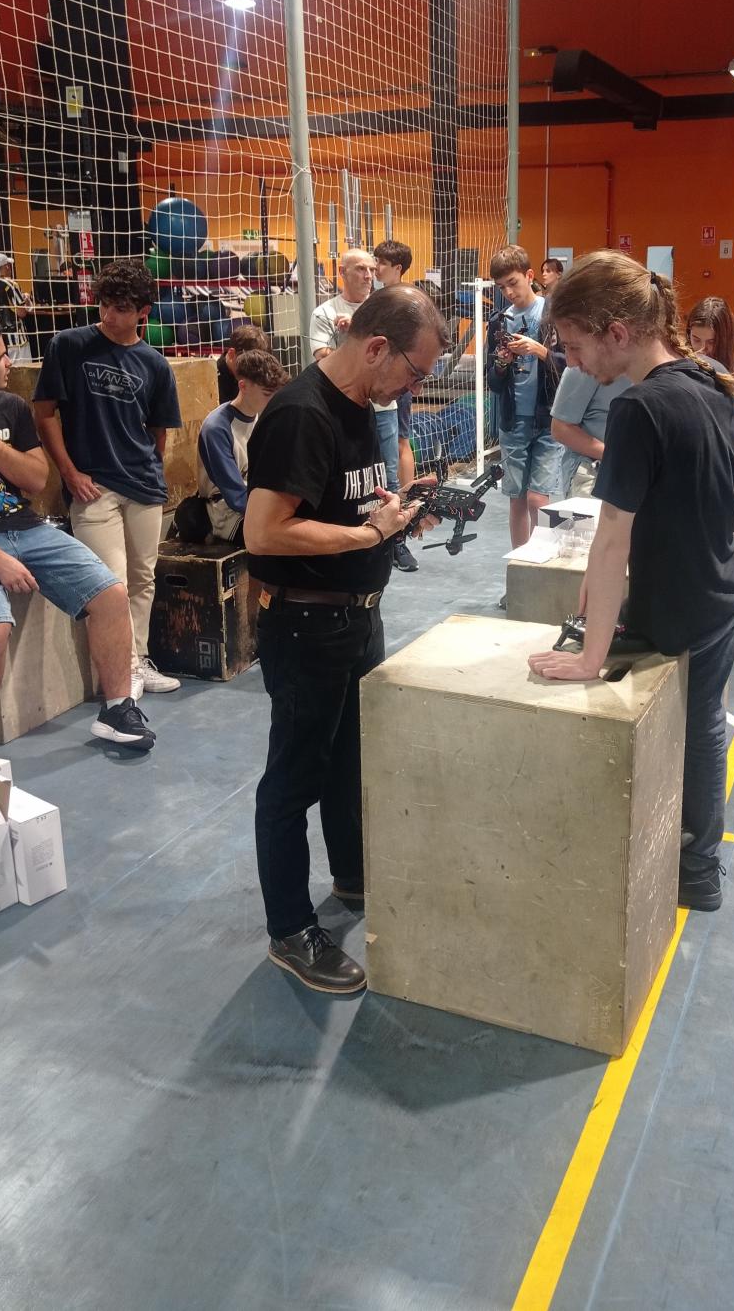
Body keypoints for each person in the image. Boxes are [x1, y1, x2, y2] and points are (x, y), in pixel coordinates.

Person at [527, 252, 734, 913]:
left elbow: (612, 536)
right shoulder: (710, 380)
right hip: (723, 586)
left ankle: (697, 864)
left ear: (617, 333)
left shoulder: (637, 409)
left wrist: (590, 656)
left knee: (698, 727)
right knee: (703, 722)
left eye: (575, 347)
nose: (572, 362)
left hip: (687, 606)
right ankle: (699, 857)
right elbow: (730, 497)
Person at [244, 284, 449, 994]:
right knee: (294, 778)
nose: (413, 388)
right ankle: (289, 928)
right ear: (376, 348)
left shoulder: (363, 403)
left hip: (356, 617)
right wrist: (368, 535)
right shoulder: (302, 414)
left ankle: (353, 875)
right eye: (414, 373)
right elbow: (265, 531)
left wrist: (396, 511)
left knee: (349, 761)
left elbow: (346, 502)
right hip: (307, 623)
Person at [0, 315, 153, 748]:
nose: (9, 362)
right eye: (1, 356)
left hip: (25, 528)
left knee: (111, 594)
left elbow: (35, 479)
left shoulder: (10, 407)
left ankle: (116, 710)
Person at [33, 258, 183, 701]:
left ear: (143, 312)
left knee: (143, 579)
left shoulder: (155, 365)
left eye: (120, 308)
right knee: (109, 585)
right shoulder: (69, 345)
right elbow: (44, 414)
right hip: (92, 487)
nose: (109, 315)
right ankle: (122, 672)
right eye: (104, 305)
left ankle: (138, 660)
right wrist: (69, 472)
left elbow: (158, 432)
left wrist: (149, 473)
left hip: (143, 487)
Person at [487, 245, 565, 553]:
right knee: (517, 499)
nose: (508, 292)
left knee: (538, 499)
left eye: (513, 283)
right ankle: (518, 565)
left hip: (548, 418)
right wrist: (501, 363)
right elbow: (493, 381)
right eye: (501, 287)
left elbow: (573, 366)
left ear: (530, 276)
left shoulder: (553, 315)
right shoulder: (498, 321)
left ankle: (541, 563)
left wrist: (540, 351)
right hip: (513, 420)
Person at [311, 248, 401, 505]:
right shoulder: (325, 313)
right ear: (342, 272)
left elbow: (397, 353)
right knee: (352, 481)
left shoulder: (386, 309)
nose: (368, 275)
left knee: (390, 479)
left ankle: (395, 530)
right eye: (361, 269)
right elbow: (322, 357)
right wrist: (353, 336)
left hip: (383, 407)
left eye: (371, 269)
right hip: (343, 409)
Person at [197, 350, 288, 543]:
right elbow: (236, 496)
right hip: (226, 512)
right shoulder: (217, 428)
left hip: (259, 502)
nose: (274, 401)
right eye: (267, 394)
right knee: (285, 538)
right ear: (243, 386)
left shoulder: (264, 415)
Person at [374, 239, 420, 573]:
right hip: (378, 383)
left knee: (401, 441)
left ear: (397, 268)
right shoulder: (379, 300)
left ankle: (407, 512)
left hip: (398, 381)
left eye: (381, 263)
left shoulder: (407, 301)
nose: (376, 269)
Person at [550, 366, 631, 498]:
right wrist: (618, 457)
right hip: (594, 471)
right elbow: (560, 429)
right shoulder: (584, 364)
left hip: (640, 474)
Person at [685, 296, 734, 398]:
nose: (702, 349)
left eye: (711, 342)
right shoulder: (678, 356)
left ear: (725, 339)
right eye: (696, 339)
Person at [216, 322, 270, 404]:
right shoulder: (212, 380)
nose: (253, 372)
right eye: (248, 365)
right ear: (231, 354)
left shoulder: (259, 375)